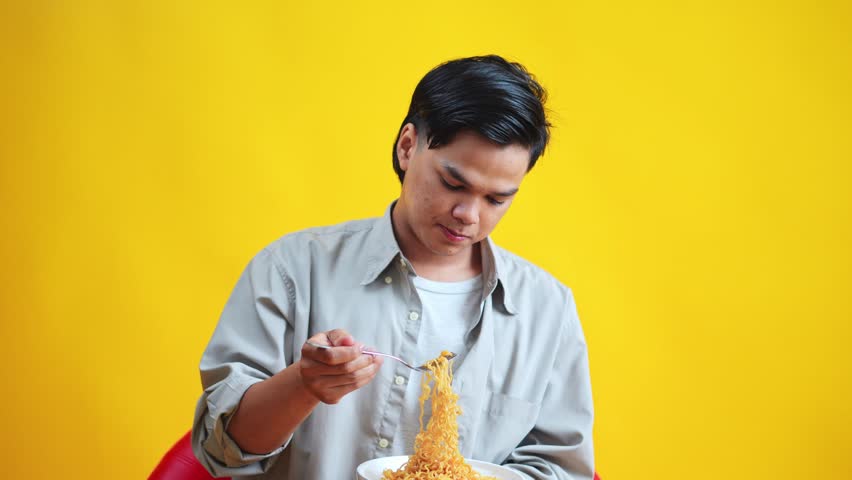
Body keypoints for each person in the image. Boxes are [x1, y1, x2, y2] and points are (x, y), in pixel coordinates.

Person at [192, 54, 595, 480]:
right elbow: (223, 451)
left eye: (496, 199)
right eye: (453, 183)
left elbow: (558, 468)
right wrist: (303, 385)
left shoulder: (546, 309)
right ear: (407, 147)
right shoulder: (292, 270)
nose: (468, 214)